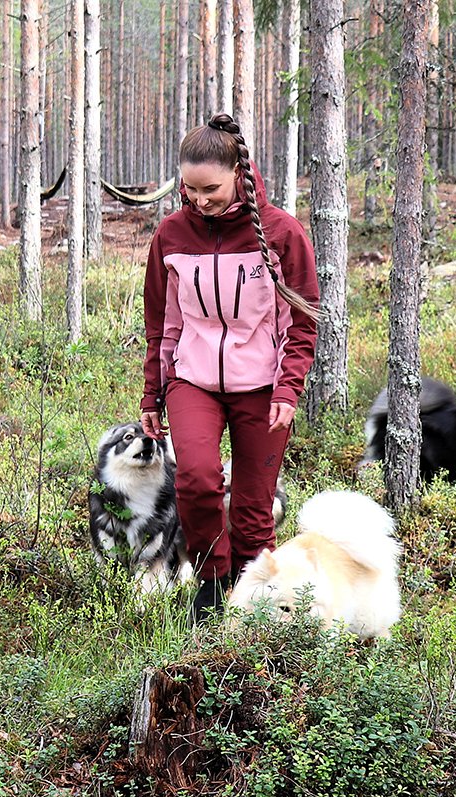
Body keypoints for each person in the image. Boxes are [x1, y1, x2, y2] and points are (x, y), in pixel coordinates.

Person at [139, 113, 321, 623]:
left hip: (262, 385)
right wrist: (153, 393)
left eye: (210, 188)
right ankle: (213, 584)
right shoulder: (171, 236)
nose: (199, 199)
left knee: (253, 507)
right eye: (189, 188)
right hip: (191, 378)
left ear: (239, 174)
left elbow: (301, 322)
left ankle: (254, 595)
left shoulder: (282, 233)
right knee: (195, 479)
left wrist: (288, 388)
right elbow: (163, 322)